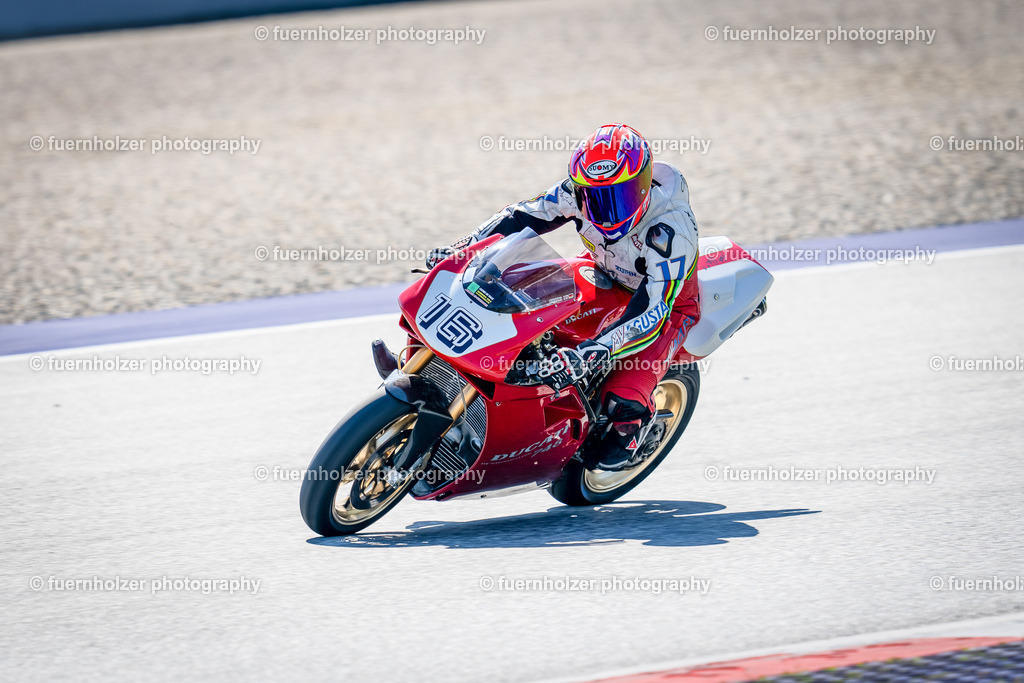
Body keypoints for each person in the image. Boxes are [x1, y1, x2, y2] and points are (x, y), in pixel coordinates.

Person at [427, 123, 700, 470]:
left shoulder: (672, 231)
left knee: (621, 401)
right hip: (603, 273)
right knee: (508, 296)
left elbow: (653, 310)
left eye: (619, 197)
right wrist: (462, 248)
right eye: (595, 197)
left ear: (643, 186)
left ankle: (634, 428)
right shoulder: (577, 191)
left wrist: (592, 352)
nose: (605, 209)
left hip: (667, 306)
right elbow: (522, 215)